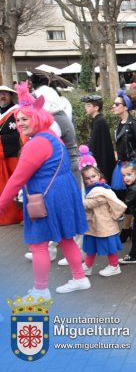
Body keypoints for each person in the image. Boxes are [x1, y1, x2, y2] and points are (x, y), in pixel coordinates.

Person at [0, 83, 91, 300]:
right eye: (18, 119)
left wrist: (1, 203)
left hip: (46, 197)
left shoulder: (36, 143)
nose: (20, 123)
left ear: (38, 117)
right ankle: (80, 277)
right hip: (62, 192)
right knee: (67, 238)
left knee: (38, 244)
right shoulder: (51, 136)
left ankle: (40, 291)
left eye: (25, 119)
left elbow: (16, 179)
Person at [79, 146, 127, 277]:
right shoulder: (92, 190)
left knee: (110, 247)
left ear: (98, 175)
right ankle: (87, 267)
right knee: (91, 247)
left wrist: (75, 201)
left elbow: (89, 203)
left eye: (93, 176)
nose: (91, 180)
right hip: (95, 224)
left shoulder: (100, 190)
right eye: (87, 179)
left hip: (104, 225)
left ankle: (114, 266)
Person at [111, 89, 136, 245]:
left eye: (117, 104)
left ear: (126, 107)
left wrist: (133, 165)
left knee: (130, 200)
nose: (114, 106)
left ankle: (127, 229)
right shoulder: (119, 124)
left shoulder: (134, 124)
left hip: (131, 166)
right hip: (121, 166)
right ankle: (126, 228)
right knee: (123, 198)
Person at [0, 85, 23, 225]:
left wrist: (1, 140)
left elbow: (19, 134)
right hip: (0, 156)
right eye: (0, 93)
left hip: (13, 154)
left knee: (15, 186)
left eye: (5, 94)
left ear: (10, 95)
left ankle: (19, 215)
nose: (2, 96)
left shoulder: (16, 112)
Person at [82, 95, 116, 185]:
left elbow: (94, 143)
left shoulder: (99, 121)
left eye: (88, 105)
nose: (85, 107)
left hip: (102, 158)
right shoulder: (97, 120)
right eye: (86, 105)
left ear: (96, 108)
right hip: (101, 156)